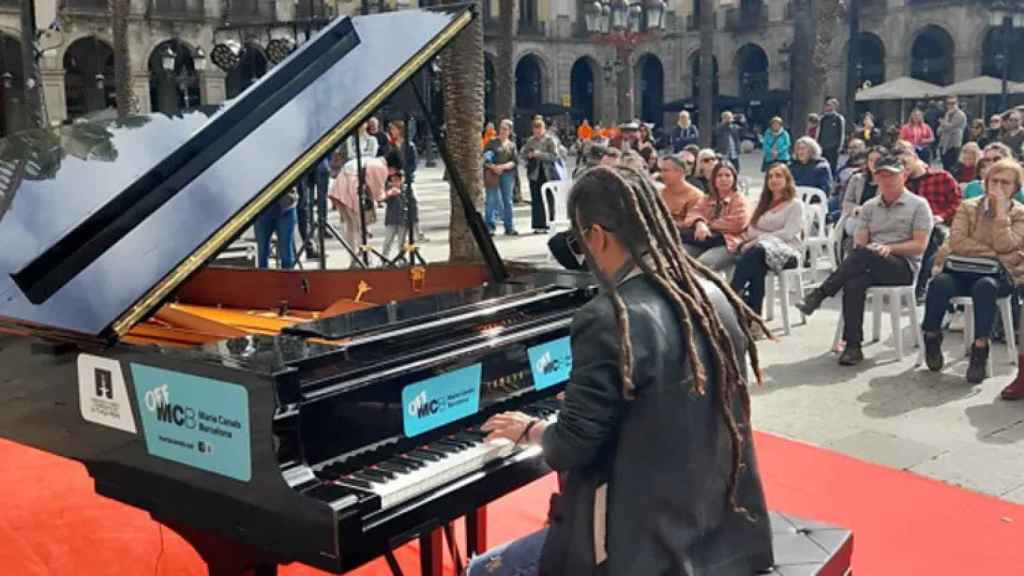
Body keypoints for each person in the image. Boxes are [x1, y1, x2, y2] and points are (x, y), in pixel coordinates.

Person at [470, 165, 774, 576]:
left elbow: (570, 447)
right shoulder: (712, 292)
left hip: (642, 549)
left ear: (597, 235)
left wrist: (532, 429)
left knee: (486, 569)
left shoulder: (608, 316)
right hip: (722, 531)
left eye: (580, 242)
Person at [797, 153, 934, 365]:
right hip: (870, 261)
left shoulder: (918, 205)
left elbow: (919, 245)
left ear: (904, 177)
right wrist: (872, 249)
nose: (886, 181)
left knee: (864, 254)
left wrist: (889, 248)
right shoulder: (870, 206)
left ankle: (819, 294)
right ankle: (853, 346)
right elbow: (860, 242)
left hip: (902, 265)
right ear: (876, 178)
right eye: (882, 176)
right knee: (854, 282)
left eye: (892, 176)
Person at [923, 158, 1024, 385]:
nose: (998, 187)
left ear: (1015, 188)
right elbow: (958, 242)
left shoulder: (1019, 214)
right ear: (985, 183)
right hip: (962, 269)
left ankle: (980, 348)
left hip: (999, 276)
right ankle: (931, 336)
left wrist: (1000, 216)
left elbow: (1009, 244)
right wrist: (996, 254)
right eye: (994, 181)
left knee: (985, 287)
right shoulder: (968, 206)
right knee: (940, 284)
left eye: (1005, 183)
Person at [731, 163, 805, 322]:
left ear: (787, 179)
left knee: (755, 252)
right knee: (757, 264)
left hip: (788, 252)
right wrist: (762, 238)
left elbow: (788, 233)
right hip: (761, 253)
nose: (773, 180)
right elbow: (750, 229)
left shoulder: (795, 204)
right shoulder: (763, 202)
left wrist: (759, 238)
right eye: (770, 176)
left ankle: (732, 292)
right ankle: (755, 319)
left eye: (778, 176)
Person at [901, 150, 961, 299]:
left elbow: (958, 203)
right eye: (899, 165)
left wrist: (942, 216)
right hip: (907, 225)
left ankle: (921, 285)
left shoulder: (942, 177)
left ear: (915, 158)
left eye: (905, 162)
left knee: (932, 236)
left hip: (938, 223)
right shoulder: (901, 182)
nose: (903, 167)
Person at [681, 160, 751, 271]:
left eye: (727, 175)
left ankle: (704, 288)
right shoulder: (707, 198)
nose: (724, 179)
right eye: (719, 176)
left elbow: (738, 222)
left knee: (703, 264)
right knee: (678, 257)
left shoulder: (739, 199)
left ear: (734, 178)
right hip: (703, 240)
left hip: (729, 243)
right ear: (714, 179)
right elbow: (692, 214)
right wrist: (699, 223)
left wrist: (708, 225)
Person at [385, 119, 425, 242]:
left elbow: (413, 164)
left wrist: (405, 175)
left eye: (394, 129)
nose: (392, 132)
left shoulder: (409, 145)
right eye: (391, 130)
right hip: (394, 179)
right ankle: (398, 228)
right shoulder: (391, 146)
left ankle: (417, 230)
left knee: (412, 202)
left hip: (406, 179)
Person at [522, 117, 561, 233]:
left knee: (549, 199)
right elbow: (522, 155)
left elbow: (555, 156)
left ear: (544, 129)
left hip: (548, 174)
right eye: (535, 129)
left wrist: (540, 155)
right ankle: (538, 225)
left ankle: (549, 224)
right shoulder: (530, 141)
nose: (537, 131)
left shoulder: (550, 140)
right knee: (536, 199)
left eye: (539, 129)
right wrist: (528, 157)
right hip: (534, 174)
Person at [483, 119, 520, 236]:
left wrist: (502, 167)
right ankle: (489, 227)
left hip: (507, 174)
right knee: (491, 200)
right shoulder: (492, 143)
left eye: (505, 129)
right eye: (501, 128)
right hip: (493, 174)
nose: (502, 131)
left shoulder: (511, 145)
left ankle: (509, 227)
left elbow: (514, 161)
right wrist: (494, 167)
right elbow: (486, 158)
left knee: (507, 201)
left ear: (509, 131)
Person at [254, 188, 298, 269]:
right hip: (263, 208)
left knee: (286, 254)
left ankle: (288, 280)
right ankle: (263, 280)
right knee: (262, 254)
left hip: (286, 206)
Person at [659, 155, 704, 230]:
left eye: (666, 170)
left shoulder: (695, 196)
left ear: (680, 172)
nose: (662, 174)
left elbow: (692, 222)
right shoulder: (659, 192)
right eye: (661, 170)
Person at [937, 96, 968, 172]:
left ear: (957, 103)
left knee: (953, 168)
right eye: (948, 103)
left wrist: (944, 123)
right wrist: (944, 124)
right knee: (945, 168)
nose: (950, 105)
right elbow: (939, 131)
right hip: (943, 145)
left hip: (954, 145)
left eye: (953, 103)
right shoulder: (947, 114)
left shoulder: (961, 115)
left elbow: (950, 127)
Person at [381, 171, 406, 260]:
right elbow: (381, 199)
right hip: (391, 220)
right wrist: (389, 194)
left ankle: (401, 258)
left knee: (401, 242)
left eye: (397, 180)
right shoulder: (389, 190)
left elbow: (411, 204)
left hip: (403, 221)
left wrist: (400, 194)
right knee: (387, 241)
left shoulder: (406, 190)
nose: (395, 183)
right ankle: (384, 258)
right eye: (392, 181)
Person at [817, 98, 847, 174]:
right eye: (826, 105)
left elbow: (841, 133)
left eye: (829, 105)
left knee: (832, 166)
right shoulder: (823, 118)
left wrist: (840, 146)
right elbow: (819, 132)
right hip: (823, 146)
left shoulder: (838, 118)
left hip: (833, 147)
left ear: (835, 106)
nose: (827, 107)